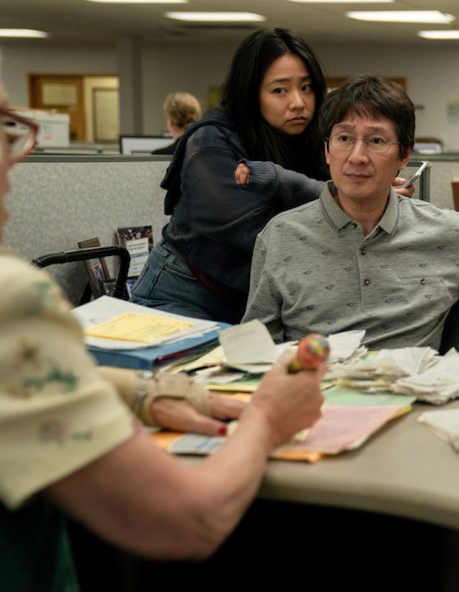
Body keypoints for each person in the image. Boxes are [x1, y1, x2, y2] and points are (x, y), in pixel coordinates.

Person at [0, 83, 325, 591]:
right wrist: (267, 417)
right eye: (6, 130)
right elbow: (188, 521)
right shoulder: (11, 293)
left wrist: (144, 393)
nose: (17, 155)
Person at [242, 75, 459, 362]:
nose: (357, 156)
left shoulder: (446, 232)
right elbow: (258, 345)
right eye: (344, 138)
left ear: (404, 156)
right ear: (327, 151)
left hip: (411, 400)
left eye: (376, 141)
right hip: (312, 398)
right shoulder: (281, 235)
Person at [131, 28, 412, 325]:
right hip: (182, 293)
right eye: (280, 90)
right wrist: (352, 202)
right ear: (251, 94)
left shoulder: (314, 140)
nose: (298, 102)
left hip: (256, 302)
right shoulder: (209, 143)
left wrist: (374, 196)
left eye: (306, 88)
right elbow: (271, 236)